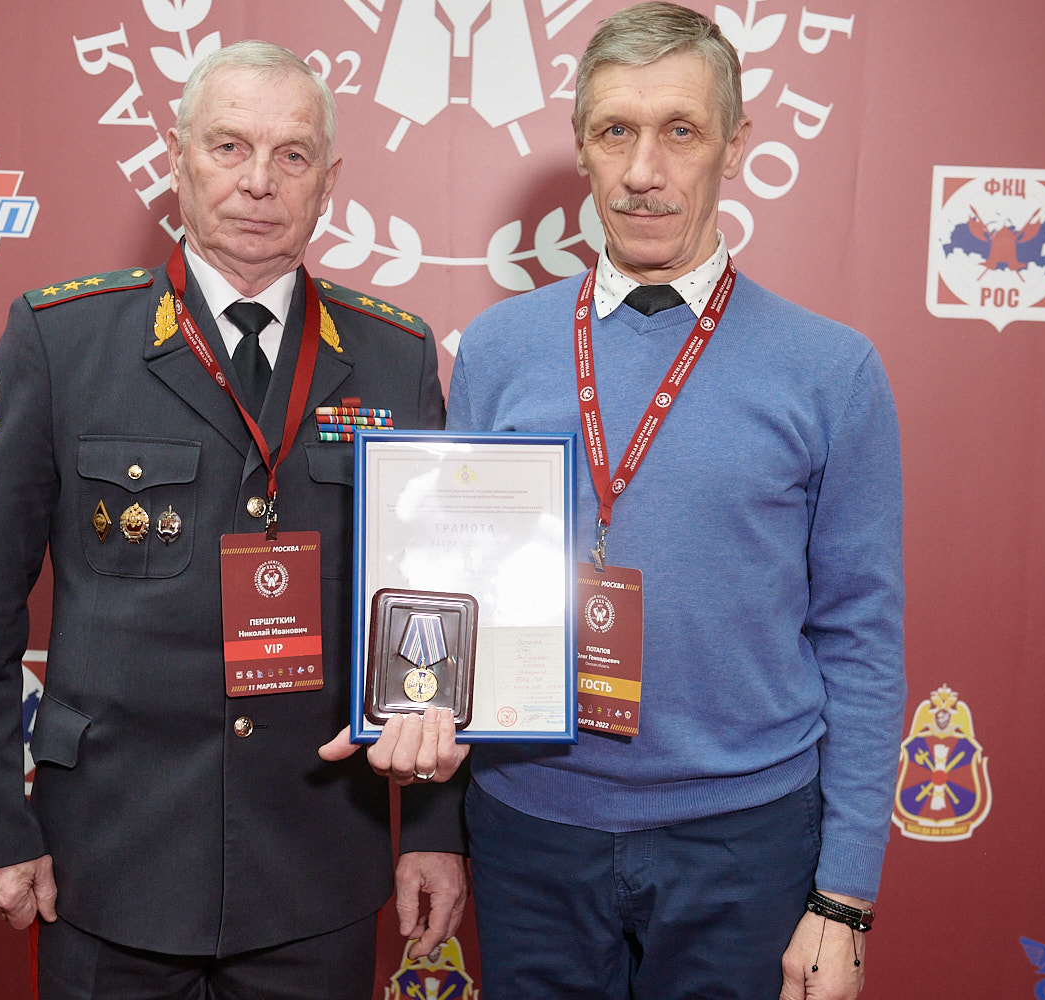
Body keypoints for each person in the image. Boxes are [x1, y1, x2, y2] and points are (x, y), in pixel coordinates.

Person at [0, 40, 466, 1000]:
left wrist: (432, 829)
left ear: (329, 181)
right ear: (176, 161)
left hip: (315, 866)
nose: (259, 181)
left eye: (293, 154)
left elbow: (432, 610)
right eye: (229, 147)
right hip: (109, 862)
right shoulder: (60, 340)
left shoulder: (395, 356)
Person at [443, 4, 906, 997]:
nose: (643, 171)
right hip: (529, 828)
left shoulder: (834, 371)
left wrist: (845, 899)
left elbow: (862, 640)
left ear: (735, 146)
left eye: (681, 131)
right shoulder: (497, 350)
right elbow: (454, 603)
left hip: (746, 841)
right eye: (615, 131)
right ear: (581, 147)